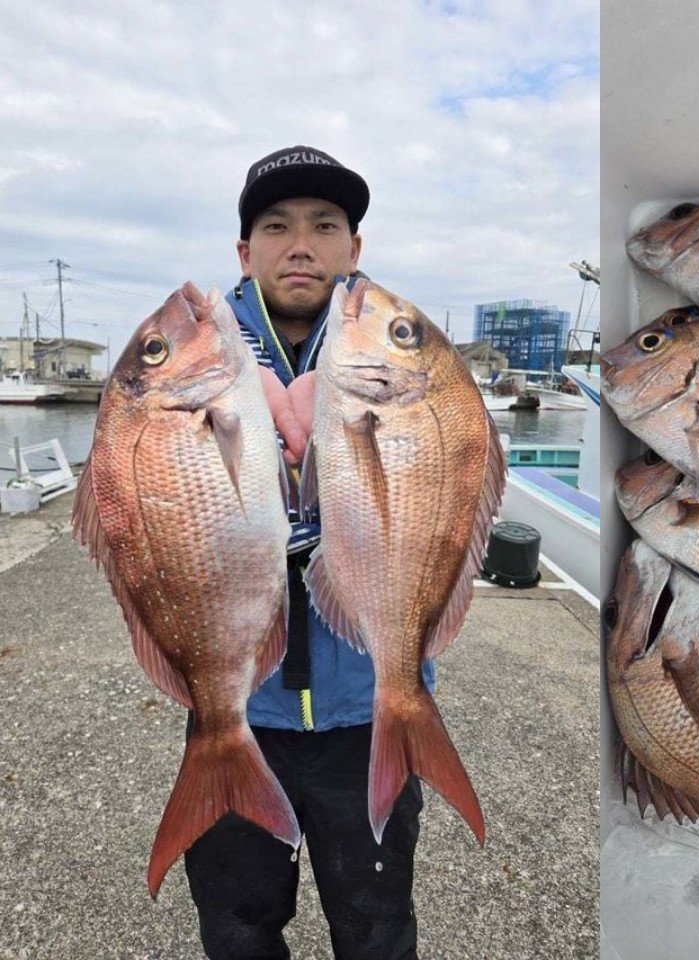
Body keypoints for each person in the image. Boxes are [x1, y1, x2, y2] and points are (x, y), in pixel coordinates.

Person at [183, 145, 431, 960]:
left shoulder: (401, 357)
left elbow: (448, 495)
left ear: (353, 250)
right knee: (238, 927)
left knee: (376, 926)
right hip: (240, 706)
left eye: (325, 226)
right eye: (276, 225)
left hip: (369, 707)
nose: (301, 244)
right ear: (244, 251)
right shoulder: (195, 365)